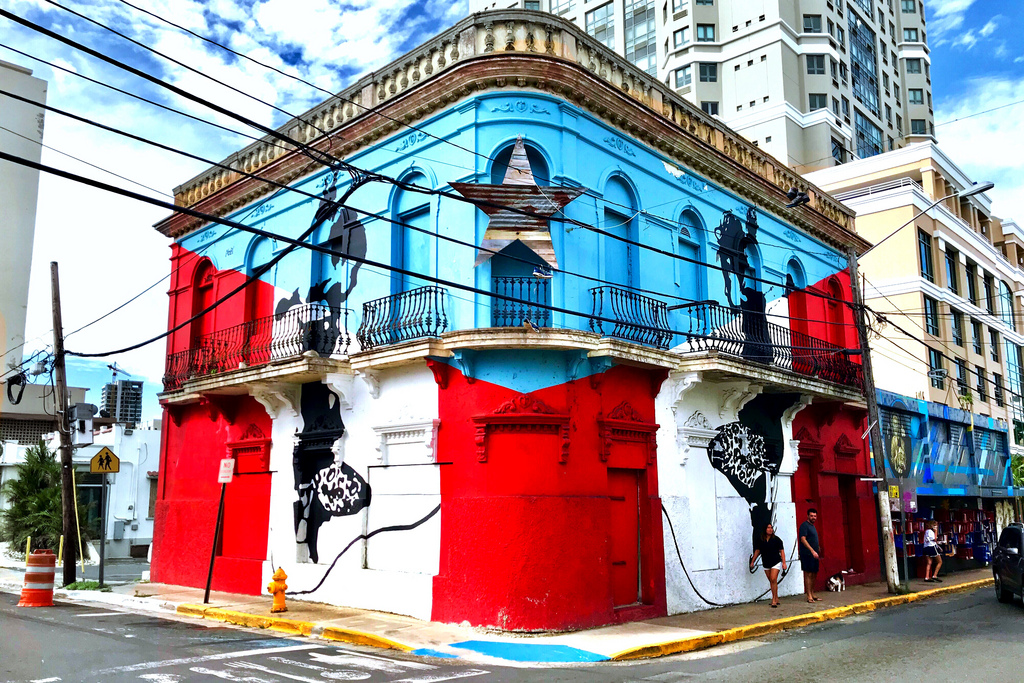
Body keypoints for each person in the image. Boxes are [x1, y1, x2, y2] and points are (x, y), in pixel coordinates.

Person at [751, 522, 787, 608]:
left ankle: (774, 600)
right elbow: (757, 551)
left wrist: (784, 563)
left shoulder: (777, 540)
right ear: (765, 529)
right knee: (771, 581)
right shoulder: (760, 540)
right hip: (766, 562)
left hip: (776, 561)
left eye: (771, 528)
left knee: (773, 578)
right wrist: (753, 561)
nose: (770, 529)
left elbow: (781, 551)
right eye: (768, 528)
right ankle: (776, 597)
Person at [799, 508, 822, 603]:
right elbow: (803, 539)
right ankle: (808, 595)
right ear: (808, 516)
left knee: (814, 573)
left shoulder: (813, 526)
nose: (813, 518)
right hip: (807, 554)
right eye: (811, 516)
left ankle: (812, 593)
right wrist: (812, 550)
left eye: (815, 516)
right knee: (808, 574)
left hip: (815, 554)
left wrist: (817, 547)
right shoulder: (804, 526)